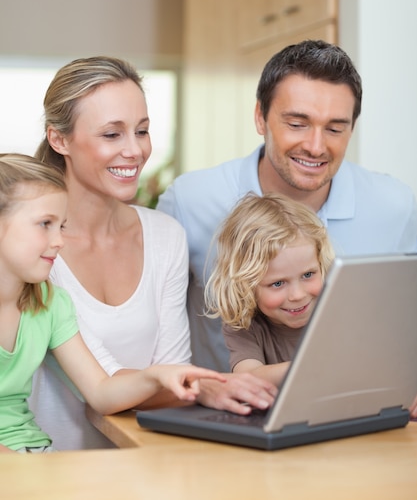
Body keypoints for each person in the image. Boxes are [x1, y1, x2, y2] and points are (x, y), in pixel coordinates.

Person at [29, 56, 276, 451]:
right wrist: (203, 386)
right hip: (53, 471)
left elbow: (171, 367)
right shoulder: (36, 247)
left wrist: (197, 386)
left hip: (144, 460)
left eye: (141, 131)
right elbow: (102, 380)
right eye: (112, 135)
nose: (135, 151)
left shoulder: (164, 236)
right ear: (60, 140)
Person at [157, 39, 417, 373]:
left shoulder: (394, 206)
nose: (315, 146)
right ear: (260, 118)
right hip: (225, 417)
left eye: (335, 128)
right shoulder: (189, 200)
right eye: (297, 124)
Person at [0, 153, 224, 453]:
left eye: (61, 226)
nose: (59, 241)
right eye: (44, 224)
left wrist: (157, 377)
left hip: (33, 454)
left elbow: (101, 391)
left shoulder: (51, 303)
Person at [205, 192, 335, 386]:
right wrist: (316, 366)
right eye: (278, 283)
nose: (298, 295)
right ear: (246, 286)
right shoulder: (245, 325)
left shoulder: (338, 307)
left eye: (308, 275)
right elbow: (247, 377)